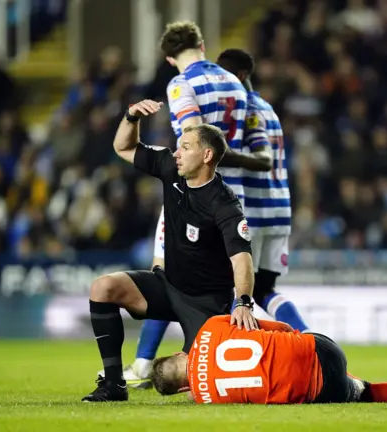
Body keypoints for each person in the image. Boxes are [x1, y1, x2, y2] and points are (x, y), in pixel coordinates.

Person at [82, 101, 258, 402]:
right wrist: (131, 115)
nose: (176, 153)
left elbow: (241, 259)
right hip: (168, 284)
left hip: (206, 305)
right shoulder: (170, 168)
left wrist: (243, 302)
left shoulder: (225, 204)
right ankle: (114, 385)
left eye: (185, 148)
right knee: (103, 287)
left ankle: (187, 365)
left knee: (192, 386)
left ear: (206, 155)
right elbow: (123, 148)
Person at [117, 20, 251, 388]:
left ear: (168, 57)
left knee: (167, 272)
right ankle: (211, 355)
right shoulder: (234, 82)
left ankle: (145, 364)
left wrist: (180, 162)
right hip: (226, 193)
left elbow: (191, 132)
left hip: (192, 187)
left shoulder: (180, 83)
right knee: (215, 280)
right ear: (203, 46)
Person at [149, 315, 387, 405]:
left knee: (366, 392)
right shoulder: (211, 326)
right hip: (320, 349)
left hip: (321, 389)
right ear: (182, 352)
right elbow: (281, 327)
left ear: (183, 391)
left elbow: (206, 390)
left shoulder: (208, 399)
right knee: (304, 348)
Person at [216, 48, 309, 332]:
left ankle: (233, 353)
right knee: (265, 288)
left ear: (241, 75)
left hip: (254, 210)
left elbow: (262, 158)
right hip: (279, 209)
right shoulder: (267, 108)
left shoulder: (246, 109)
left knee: (236, 288)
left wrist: (218, 152)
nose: (220, 82)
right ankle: (307, 337)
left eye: (224, 75)